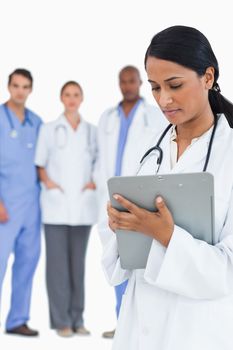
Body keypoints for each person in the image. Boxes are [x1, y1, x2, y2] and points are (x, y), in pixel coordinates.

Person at [103, 25, 233, 349]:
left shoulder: (228, 153)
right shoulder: (151, 148)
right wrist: (125, 226)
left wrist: (166, 235)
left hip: (197, 329)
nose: (164, 99)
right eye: (155, 87)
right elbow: (126, 260)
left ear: (207, 77)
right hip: (139, 326)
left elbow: (228, 270)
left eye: (174, 85)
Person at [95, 65, 167, 338]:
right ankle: (121, 322)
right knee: (116, 261)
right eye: (123, 82)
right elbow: (100, 156)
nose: (127, 86)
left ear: (139, 83)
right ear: (118, 84)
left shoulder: (152, 115)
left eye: (132, 81)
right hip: (109, 198)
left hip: (137, 195)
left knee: (139, 261)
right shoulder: (107, 117)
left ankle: (141, 326)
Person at [35, 81, 97, 337]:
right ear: (61, 98)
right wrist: (49, 183)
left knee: (78, 266)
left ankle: (78, 319)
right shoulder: (49, 129)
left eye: (76, 95)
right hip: (56, 206)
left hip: (82, 206)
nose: (72, 99)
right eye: (67, 95)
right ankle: (62, 321)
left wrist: (93, 182)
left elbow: (98, 161)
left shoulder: (92, 131)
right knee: (57, 267)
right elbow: (40, 163)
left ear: (82, 98)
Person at [0, 69, 42, 336]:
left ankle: (17, 319)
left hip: (32, 205)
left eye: (25, 86)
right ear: (8, 86)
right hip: (5, 204)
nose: (20, 91)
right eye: (16, 85)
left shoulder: (36, 122)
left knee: (27, 262)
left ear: (30, 90)